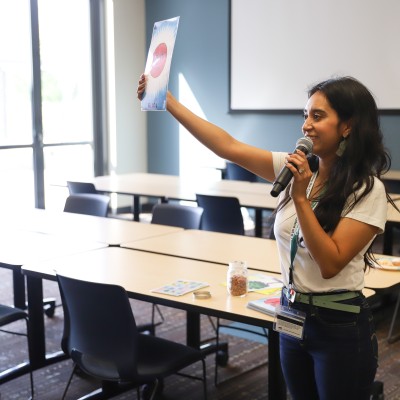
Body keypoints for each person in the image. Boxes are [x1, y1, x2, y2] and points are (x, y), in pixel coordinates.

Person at [137, 74, 399, 400]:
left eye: (318, 116)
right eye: (305, 115)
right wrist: (169, 102)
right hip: (291, 314)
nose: (306, 126)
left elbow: (330, 263)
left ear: (347, 126)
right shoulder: (298, 171)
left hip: (339, 325)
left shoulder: (367, 189)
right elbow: (227, 146)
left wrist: (301, 198)